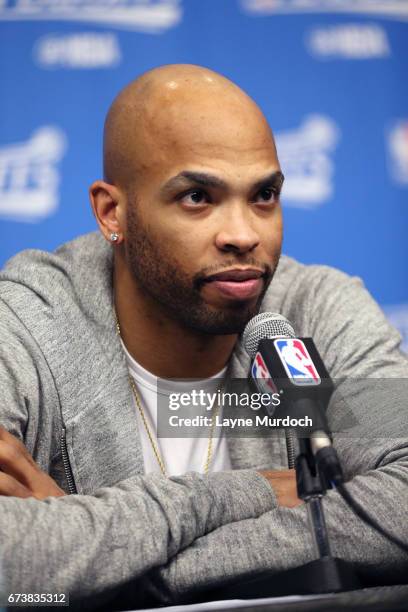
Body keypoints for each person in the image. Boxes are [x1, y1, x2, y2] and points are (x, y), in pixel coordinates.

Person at [0, 64, 407, 609]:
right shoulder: (28, 323)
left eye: (264, 195)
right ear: (111, 211)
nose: (244, 235)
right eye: (197, 197)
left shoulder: (317, 309)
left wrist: (108, 576)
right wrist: (255, 492)